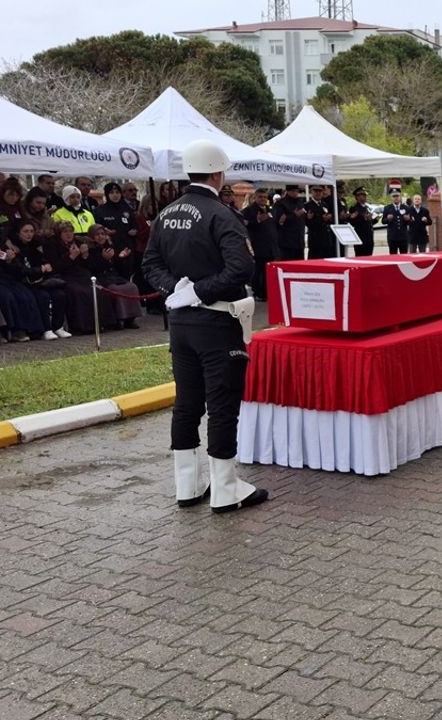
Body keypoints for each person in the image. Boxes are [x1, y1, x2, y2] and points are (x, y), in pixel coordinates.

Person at [141, 139, 268, 515]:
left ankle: (188, 485)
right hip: (216, 320)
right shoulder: (222, 214)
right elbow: (241, 269)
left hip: (181, 324)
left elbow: (149, 264)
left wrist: (177, 291)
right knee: (222, 405)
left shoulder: (166, 214)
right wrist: (198, 291)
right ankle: (226, 489)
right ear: (218, 173)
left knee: (187, 404)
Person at [84, 225, 142, 329]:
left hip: (114, 276)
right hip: (99, 278)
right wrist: (104, 259)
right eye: (97, 235)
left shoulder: (110, 246)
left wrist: (121, 257)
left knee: (132, 287)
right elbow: (92, 268)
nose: (100, 237)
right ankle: (117, 319)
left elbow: (118, 268)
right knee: (114, 289)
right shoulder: (90, 250)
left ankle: (130, 319)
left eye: (102, 234)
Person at [95, 183, 140, 280]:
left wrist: (134, 230)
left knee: (127, 276)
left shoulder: (127, 209)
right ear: (107, 194)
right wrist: (104, 231)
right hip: (111, 249)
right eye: (111, 193)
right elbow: (96, 229)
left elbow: (135, 225)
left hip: (127, 248)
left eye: (117, 192)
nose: (115, 195)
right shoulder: (100, 210)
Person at [245, 189, 278, 300]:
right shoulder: (249, 210)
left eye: (265, 197)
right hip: (258, 246)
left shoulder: (269, 209)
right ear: (255, 197)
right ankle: (257, 292)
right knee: (258, 270)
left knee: (267, 271)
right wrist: (257, 220)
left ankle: (266, 291)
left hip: (270, 246)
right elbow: (244, 225)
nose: (263, 199)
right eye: (260, 197)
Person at [272, 185, 307, 261]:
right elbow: (278, 221)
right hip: (286, 242)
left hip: (299, 241)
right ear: (288, 191)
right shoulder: (280, 203)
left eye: (297, 191)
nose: (295, 193)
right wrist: (293, 215)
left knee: (299, 266)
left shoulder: (300, 202)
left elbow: (303, 218)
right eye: (293, 191)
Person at [304, 186, 336, 259]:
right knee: (315, 259)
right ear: (311, 192)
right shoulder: (307, 205)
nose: (318, 193)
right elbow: (307, 222)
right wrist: (321, 219)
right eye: (316, 191)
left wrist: (329, 218)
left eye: (320, 191)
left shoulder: (324, 204)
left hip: (326, 237)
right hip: (315, 238)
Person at [346, 187, 378, 257]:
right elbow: (352, 222)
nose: (364, 197)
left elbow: (373, 221)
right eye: (361, 195)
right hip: (360, 237)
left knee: (369, 257)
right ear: (357, 197)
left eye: (364, 195)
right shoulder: (354, 208)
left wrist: (373, 218)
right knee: (360, 256)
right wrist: (364, 219)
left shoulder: (367, 207)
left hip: (369, 237)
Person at [383, 189, 411, 254]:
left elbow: (410, 222)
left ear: (400, 197)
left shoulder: (406, 207)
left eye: (397, 196)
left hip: (403, 237)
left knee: (404, 256)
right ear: (391, 198)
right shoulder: (387, 208)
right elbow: (383, 221)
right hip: (392, 237)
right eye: (394, 196)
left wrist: (408, 219)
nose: (396, 198)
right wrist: (387, 218)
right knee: (393, 257)